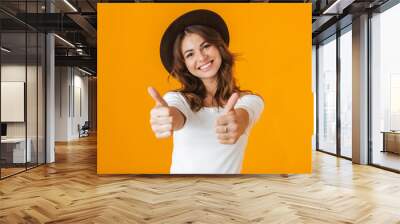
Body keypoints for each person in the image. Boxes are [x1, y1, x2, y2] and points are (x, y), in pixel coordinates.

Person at [148, 9, 264, 174]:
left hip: (226, 197)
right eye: (190, 54)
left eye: (206, 46)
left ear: (219, 47)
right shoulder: (177, 99)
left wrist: (237, 122)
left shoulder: (249, 100)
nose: (201, 57)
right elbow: (175, 114)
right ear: (185, 65)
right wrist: (166, 117)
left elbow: (243, 116)